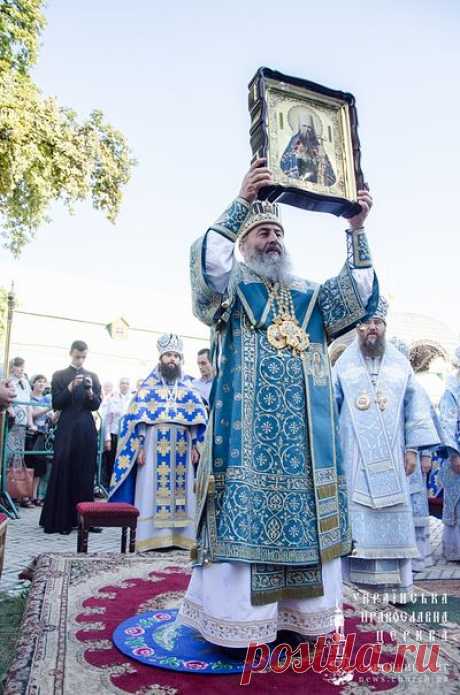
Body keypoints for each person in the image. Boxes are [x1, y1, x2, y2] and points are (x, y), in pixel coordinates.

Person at [179, 157, 377, 650]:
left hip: (310, 459)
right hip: (247, 452)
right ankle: (238, 625)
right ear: (244, 244)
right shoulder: (231, 292)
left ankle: (304, 618)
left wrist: (356, 228)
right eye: (261, 233)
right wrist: (242, 201)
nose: (272, 240)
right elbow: (209, 265)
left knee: (310, 529)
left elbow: (359, 293)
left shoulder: (310, 296)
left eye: (277, 232)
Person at [333, 302, 440, 601]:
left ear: (385, 327)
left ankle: (393, 588)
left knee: (393, 515)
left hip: (394, 457)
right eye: (365, 323)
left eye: (377, 322)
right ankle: (351, 589)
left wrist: (413, 450)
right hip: (352, 457)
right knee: (357, 521)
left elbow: (416, 409)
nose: (371, 328)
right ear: (357, 329)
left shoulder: (399, 363)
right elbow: (329, 406)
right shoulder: (344, 364)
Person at [109, 335, 207, 551]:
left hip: (182, 445)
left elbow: (198, 420)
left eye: (176, 356)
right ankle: (150, 538)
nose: (172, 359)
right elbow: (136, 419)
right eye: (168, 355)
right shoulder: (147, 387)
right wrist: (140, 446)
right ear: (160, 358)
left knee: (183, 492)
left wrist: (195, 446)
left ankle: (181, 538)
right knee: (151, 489)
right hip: (153, 446)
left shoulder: (189, 389)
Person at [39, 340, 102, 534]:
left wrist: (90, 391)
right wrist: (69, 388)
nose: (80, 360)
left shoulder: (92, 376)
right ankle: (63, 520)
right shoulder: (59, 375)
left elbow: (96, 405)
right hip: (66, 428)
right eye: (77, 356)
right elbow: (56, 402)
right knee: (64, 469)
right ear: (71, 354)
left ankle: (85, 519)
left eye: (84, 357)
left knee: (85, 472)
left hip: (86, 428)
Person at [438, 346, 460, 561]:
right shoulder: (452, 391)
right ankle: (455, 551)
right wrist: (454, 454)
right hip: (458, 455)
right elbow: (446, 424)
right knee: (457, 502)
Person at [7, 357, 35, 508]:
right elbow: (8, 402)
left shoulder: (25, 383)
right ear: (12, 368)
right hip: (12, 424)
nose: (21, 370)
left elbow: (29, 405)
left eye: (22, 367)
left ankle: (16, 494)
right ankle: (6, 492)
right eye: (18, 367)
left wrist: (30, 422)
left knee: (19, 457)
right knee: (9, 456)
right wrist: (10, 412)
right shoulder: (8, 382)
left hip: (22, 424)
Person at [25, 374, 54, 506]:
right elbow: (33, 413)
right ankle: (26, 496)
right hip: (31, 434)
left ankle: (35, 495)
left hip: (43, 435)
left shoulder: (46, 399)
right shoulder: (29, 397)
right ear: (33, 383)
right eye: (39, 381)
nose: (42, 384)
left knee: (39, 468)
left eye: (44, 382)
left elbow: (52, 419)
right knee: (30, 465)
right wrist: (48, 408)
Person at [102, 377, 132, 488]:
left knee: (125, 462)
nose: (125, 385)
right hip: (114, 435)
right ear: (119, 385)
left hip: (128, 436)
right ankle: (108, 487)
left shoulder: (133, 399)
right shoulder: (112, 398)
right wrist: (107, 438)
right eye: (123, 383)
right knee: (111, 462)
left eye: (127, 383)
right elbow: (107, 420)